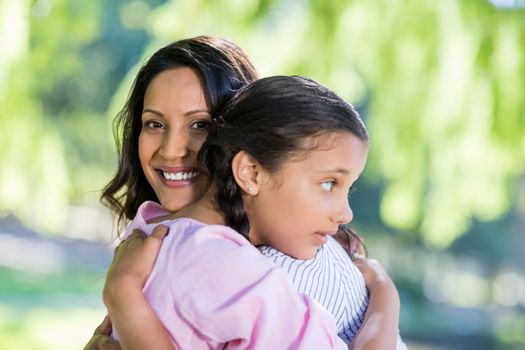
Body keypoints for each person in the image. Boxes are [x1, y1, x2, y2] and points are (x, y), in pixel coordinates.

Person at [83, 36, 402, 349]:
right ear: (248, 169)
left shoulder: (153, 238)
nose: (171, 150)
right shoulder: (215, 260)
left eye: (200, 125)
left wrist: (126, 300)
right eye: (154, 124)